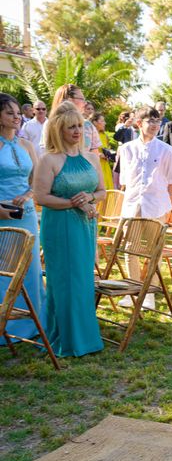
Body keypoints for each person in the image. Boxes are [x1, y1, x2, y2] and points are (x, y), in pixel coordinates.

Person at [33, 101, 105, 357]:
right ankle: (63, 338)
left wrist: (89, 199)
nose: (76, 131)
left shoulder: (91, 158)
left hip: (85, 226)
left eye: (79, 126)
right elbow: (40, 197)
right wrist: (72, 203)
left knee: (83, 280)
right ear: (58, 130)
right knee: (63, 281)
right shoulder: (49, 160)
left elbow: (102, 191)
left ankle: (85, 338)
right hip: (59, 227)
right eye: (70, 127)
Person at [118, 106, 172, 310]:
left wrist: (167, 206)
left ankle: (149, 294)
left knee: (154, 251)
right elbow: (126, 181)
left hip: (157, 206)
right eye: (150, 121)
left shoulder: (167, 150)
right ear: (139, 123)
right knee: (130, 249)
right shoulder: (126, 149)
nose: (154, 125)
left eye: (157, 121)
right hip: (133, 204)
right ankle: (132, 289)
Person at [0, 93, 46, 346]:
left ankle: (32, 322)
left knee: (30, 267)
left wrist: (30, 194)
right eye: (10, 113)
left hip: (26, 216)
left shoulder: (27, 145)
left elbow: (37, 181)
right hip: (1, 216)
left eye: (18, 112)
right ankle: (5, 323)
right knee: (4, 268)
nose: (17, 117)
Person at [90, 112, 115, 189]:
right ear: (95, 122)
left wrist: (110, 154)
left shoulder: (104, 135)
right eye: (102, 121)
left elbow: (106, 148)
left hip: (105, 164)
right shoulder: (89, 134)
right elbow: (85, 150)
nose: (105, 123)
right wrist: (99, 154)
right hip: (95, 165)